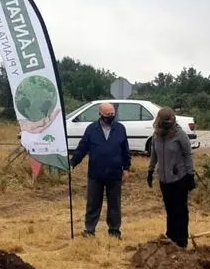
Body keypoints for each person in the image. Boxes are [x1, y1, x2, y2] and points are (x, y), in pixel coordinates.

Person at [70, 102, 131, 239]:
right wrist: (73, 163)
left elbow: (125, 150)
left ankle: (114, 231)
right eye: (107, 114)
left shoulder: (120, 128)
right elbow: (82, 148)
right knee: (93, 203)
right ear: (100, 114)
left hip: (115, 173)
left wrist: (126, 168)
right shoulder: (91, 129)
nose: (110, 116)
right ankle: (89, 230)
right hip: (96, 174)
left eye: (112, 114)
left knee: (114, 204)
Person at [146, 107, 196, 247]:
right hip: (164, 179)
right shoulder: (156, 135)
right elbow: (154, 155)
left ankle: (181, 239)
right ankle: (171, 236)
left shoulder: (180, 135)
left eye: (169, 120)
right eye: (164, 121)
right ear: (159, 120)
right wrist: (150, 171)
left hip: (180, 178)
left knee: (180, 209)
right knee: (169, 208)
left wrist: (190, 175)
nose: (167, 123)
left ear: (173, 119)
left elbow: (187, 155)